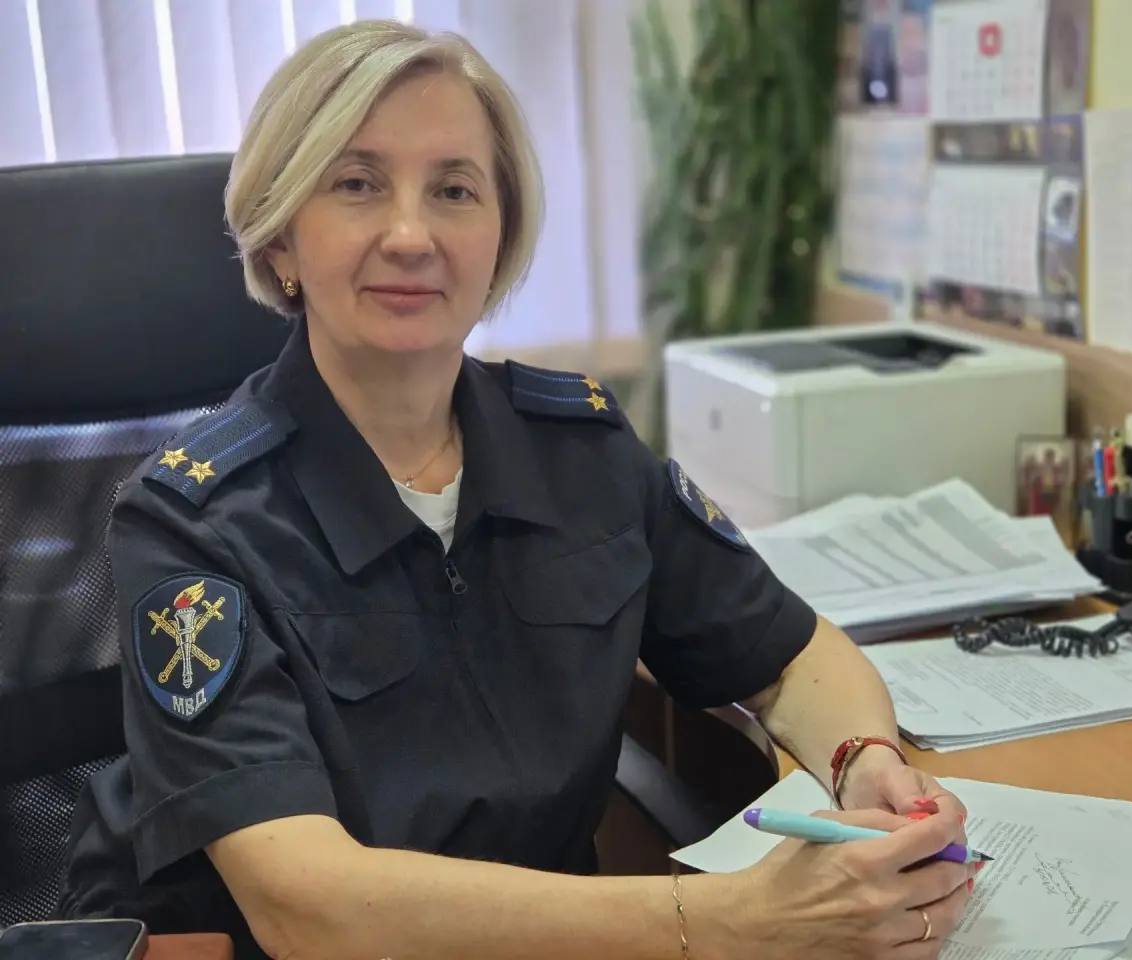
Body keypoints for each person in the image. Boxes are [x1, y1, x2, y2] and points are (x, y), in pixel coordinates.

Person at [60, 20, 975, 959]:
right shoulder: (193, 520)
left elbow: (787, 651)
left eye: (454, 190)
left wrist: (865, 763)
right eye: (357, 184)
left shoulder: (580, 451)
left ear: (499, 239)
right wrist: (730, 920)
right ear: (283, 239)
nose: (410, 235)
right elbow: (308, 908)